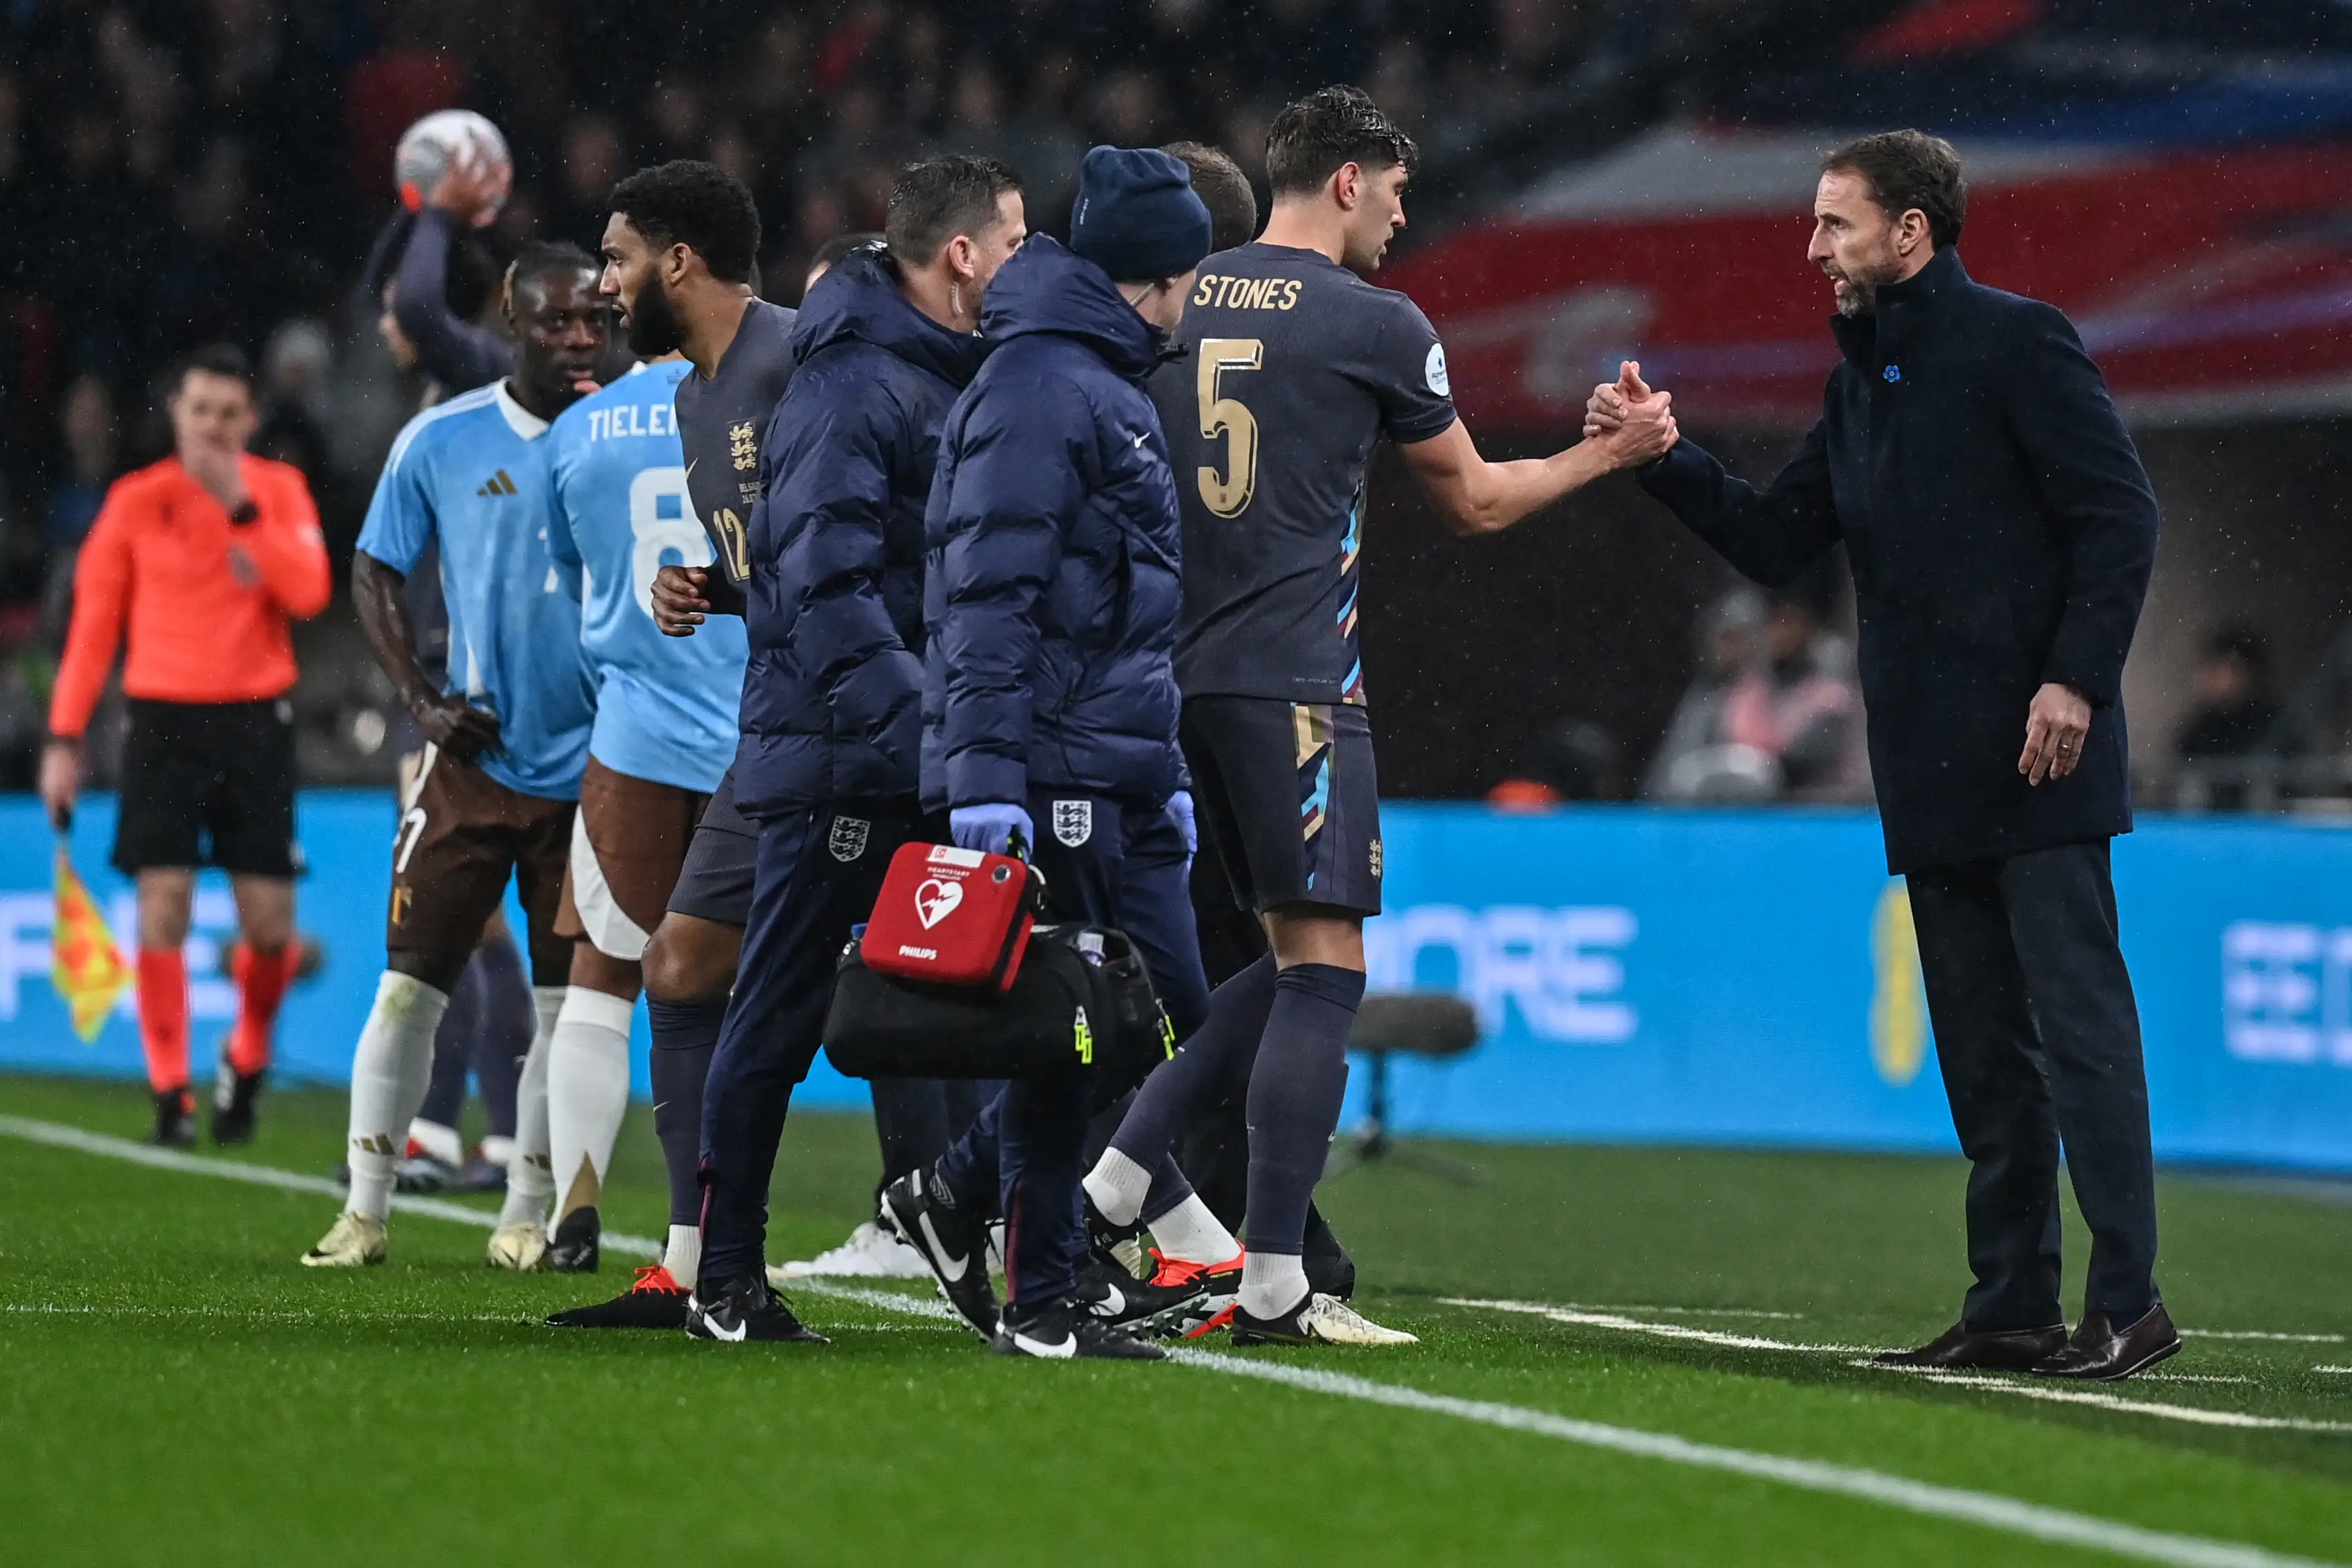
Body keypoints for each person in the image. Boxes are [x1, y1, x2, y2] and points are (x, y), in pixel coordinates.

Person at [1080, 86, 1675, 1348]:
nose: (1404, 217)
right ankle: (1278, 1281)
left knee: (1261, 966)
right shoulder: (1375, 322)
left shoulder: (1175, 294)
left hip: (1159, 682)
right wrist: (1604, 457)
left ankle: (1121, 1177)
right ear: (1343, 180)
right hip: (1295, 681)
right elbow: (1475, 503)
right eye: (1395, 192)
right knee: (1325, 968)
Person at [1590, 129, 2171, 1381]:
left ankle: (2128, 1298)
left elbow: (2118, 513)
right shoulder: (1858, 386)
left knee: (2079, 1032)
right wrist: (1662, 456)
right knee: (1982, 1051)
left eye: (1834, 225)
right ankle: (2012, 1302)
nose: (1813, 249)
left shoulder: (2019, 341)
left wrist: (2074, 675)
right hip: (1929, 767)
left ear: (1911, 232)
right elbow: (1773, 534)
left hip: (2040, 748)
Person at [879, 147, 1226, 1363]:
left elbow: (1118, 616)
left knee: (1159, 1013)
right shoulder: (1040, 387)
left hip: (1113, 766)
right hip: (1054, 768)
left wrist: (1162, 775)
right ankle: (1041, 1297)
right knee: (1068, 1030)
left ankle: (956, 1194)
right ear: (1160, 275)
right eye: (1190, 274)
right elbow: (986, 602)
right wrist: (983, 783)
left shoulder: (1096, 382)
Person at [683, 156, 1026, 1345]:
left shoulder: (946, 372)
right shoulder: (846, 387)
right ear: (962, 256)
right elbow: (820, 590)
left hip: (923, 746)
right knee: (775, 1011)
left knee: (998, 1003)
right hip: (842, 754)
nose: (1027, 261)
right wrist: (929, 724)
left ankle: (999, 1247)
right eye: (1015, 241)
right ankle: (725, 1279)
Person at [302, 243, 609, 1269]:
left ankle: (524, 1211)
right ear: (511, 325)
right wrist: (422, 699)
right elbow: (374, 569)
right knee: (407, 989)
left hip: (600, 776)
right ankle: (366, 1208)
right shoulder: (441, 437)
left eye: (591, 318)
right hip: (474, 767)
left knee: (567, 1010)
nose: (578, 336)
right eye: (556, 320)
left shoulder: (632, 432)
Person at [595, 162, 799, 1298]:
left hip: (868, 722)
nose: (606, 285)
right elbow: (781, 559)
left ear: (678, 261)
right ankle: (688, 1260)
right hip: (777, 721)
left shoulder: (803, 358)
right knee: (677, 964)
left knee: (921, 996)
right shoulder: (692, 396)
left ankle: (1037, 1213)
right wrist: (711, 590)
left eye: (619, 259)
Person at [41, 345, 329, 1147]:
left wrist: (241, 508)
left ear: (251, 421)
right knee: (161, 902)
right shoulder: (137, 501)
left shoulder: (277, 491)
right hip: (163, 719)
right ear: (177, 412)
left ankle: (246, 1053)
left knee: (269, 927)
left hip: (254, 721)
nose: (212, 427)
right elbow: (94, 630)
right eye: (200, 410)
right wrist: (64, 737)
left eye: (229, 414)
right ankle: (172, 1090)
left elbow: (308, 592)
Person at [533, 348, 747, 1307]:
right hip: (759, 730)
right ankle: (712, 1227)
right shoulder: (768, 393)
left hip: (637, 739)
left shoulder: (581, 427)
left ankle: (573, 1209)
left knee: (608, 970)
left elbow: (576, 576)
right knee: (752, 987)